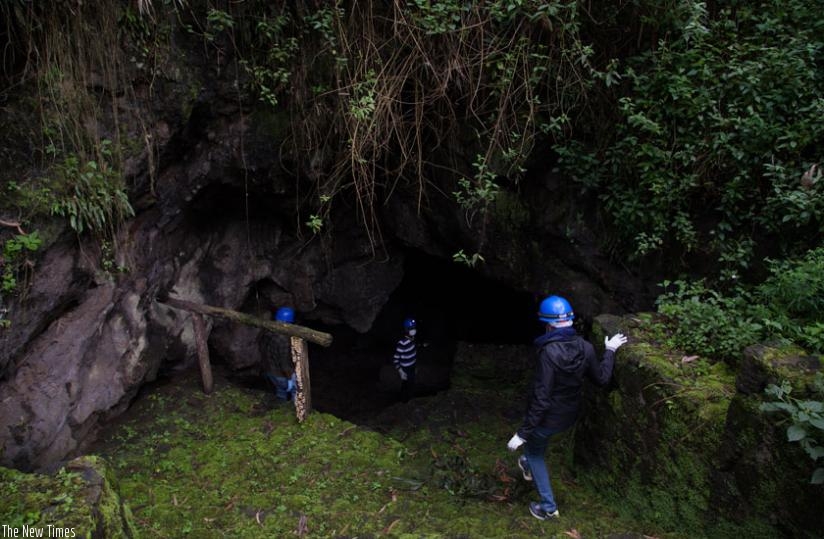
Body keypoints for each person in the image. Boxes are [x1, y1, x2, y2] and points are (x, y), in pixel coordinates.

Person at [506, 295, 627, 521]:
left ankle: (548, 508)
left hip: (547, 419)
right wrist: (610, 350)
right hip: (569, 415)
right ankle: (526, 462)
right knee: (534, 449)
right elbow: (601, 379)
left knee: (534, 451)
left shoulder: (548, 353)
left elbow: (542, 398)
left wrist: (522, 432)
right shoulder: (587, 347)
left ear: (549, 325)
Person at [260, 307, 297, 401]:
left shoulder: (268, 331)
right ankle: (294, 410)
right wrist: (290, 379)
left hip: (269, 371)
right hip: (280, 374)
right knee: (296, 391)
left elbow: (263, 350)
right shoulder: (283, 340)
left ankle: (280, 407)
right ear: (287, 323)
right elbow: (284, 363)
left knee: (280, 391)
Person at [393, 317, 417, 402]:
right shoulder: (402, 343)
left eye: (414, 327)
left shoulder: (412, 339)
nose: (413, 330)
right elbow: (395, 359)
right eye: (411, 328)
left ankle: (408, 399)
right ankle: (405, 401)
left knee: (411, 383)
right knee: (407, 385)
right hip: (406, 369)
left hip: (412, 366)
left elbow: (412, 353)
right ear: (406, 330)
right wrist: (400, 371)